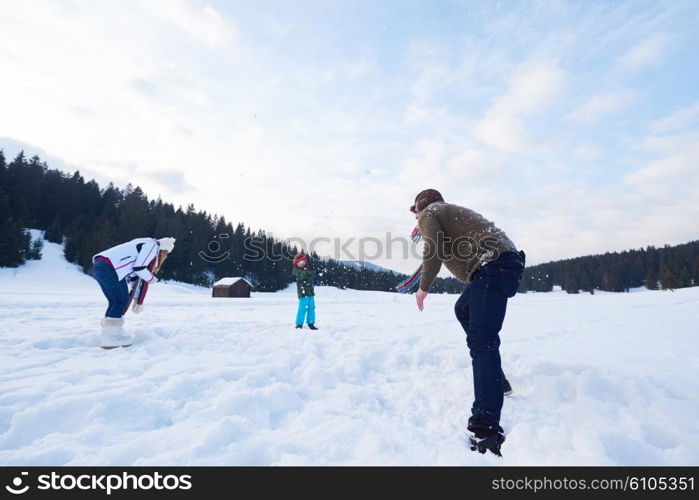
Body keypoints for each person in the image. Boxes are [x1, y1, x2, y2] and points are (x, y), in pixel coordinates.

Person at [411, 189, 525, 456]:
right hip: (498, 266)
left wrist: (423, 286)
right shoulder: (448, 213)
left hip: (493, 267)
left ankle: (487, 428)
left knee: (482, 341)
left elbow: (434, 249)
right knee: (464, 309)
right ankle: (496, 380)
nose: (416, 217)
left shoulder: (432, 212)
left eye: (415, 211)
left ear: (421, 206)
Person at [91, 237, 176, 348]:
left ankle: (110, 332)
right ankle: (110, 338)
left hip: (99, 264)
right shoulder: (153, 246)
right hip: (110, 267)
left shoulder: (143, 242)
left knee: (115, 301)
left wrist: (137, 297)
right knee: (121, 300)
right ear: (163, 251)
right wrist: (150, 278)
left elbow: (133, 276)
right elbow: (139, 268)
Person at [292, 253, 318, 330]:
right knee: (302, 309)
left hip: (310, 293)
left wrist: (314, 273)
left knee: (311, 308)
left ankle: (311, 323)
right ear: (296, 263)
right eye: (300, 261)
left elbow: (308, 275)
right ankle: (299, 324)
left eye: (303, 261)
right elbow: (302, 275)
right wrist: (310, 273)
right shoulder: (296, 270)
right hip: (303, 294)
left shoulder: (306, 269)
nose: (302, 263)